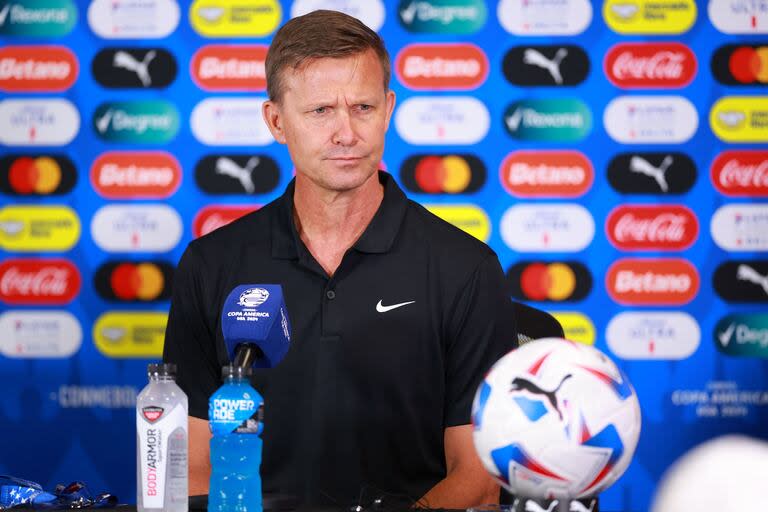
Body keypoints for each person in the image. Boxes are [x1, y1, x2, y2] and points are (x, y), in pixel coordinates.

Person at [162, 9, 517, 508]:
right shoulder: (212, 264)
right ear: (276, 121)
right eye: (321, 111)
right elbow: (192, 469)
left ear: (389, 109)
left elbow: (478, 478)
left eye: (363, 107)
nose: (346, 133)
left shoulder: (465, 268)